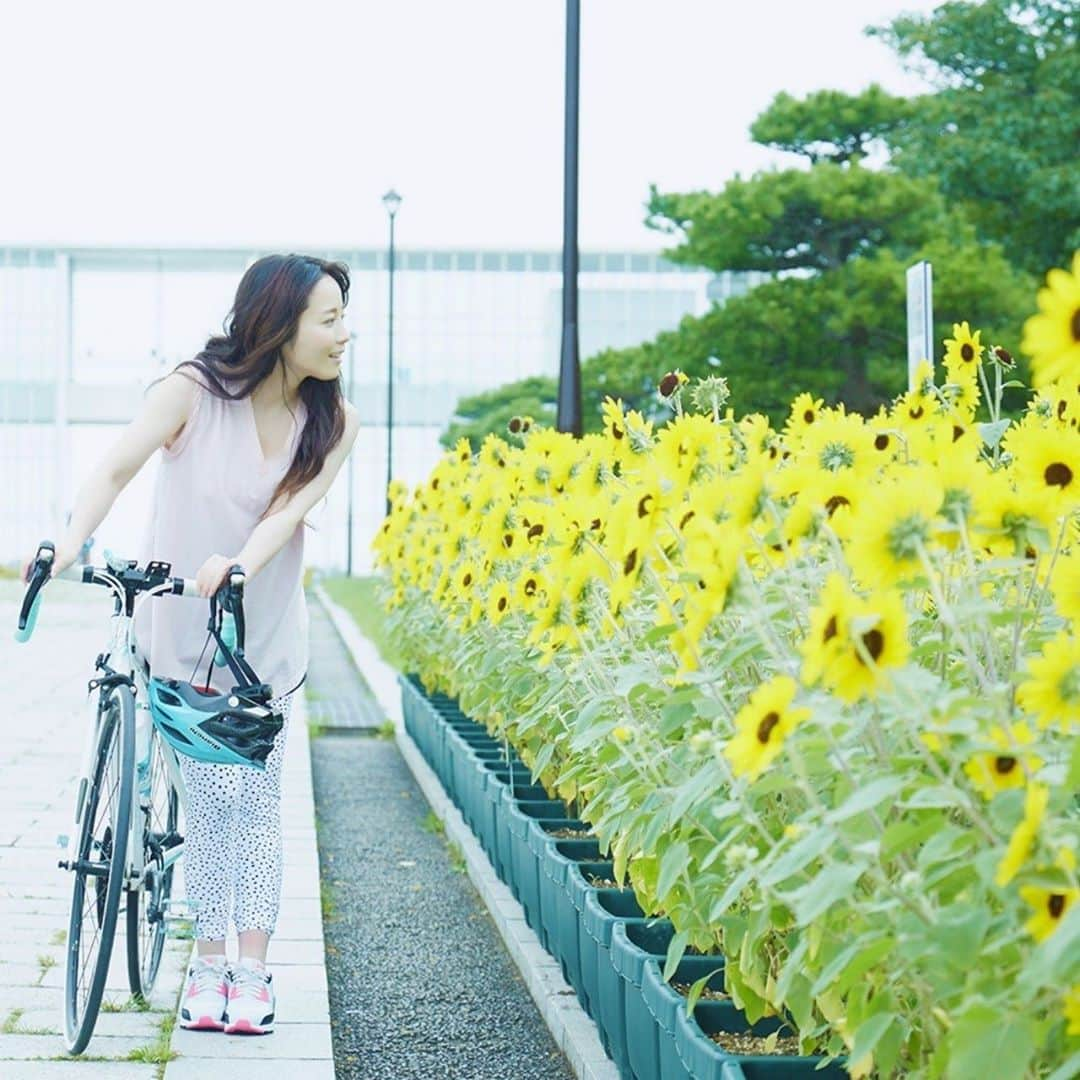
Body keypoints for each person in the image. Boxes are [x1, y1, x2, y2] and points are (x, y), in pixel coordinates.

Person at [23, 254, 359, 1035]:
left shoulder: (334, 422)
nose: (346, 334)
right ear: (279, 327)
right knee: (212, 804)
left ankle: (255, 971)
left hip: (258, 639)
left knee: (257, 803)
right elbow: (116, 466)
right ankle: (209, 965)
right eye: (330, 318)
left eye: (343, 316)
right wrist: (70, 541)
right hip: (175, 624)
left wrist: (239, 563)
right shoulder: (193, 392)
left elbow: (287, 512)